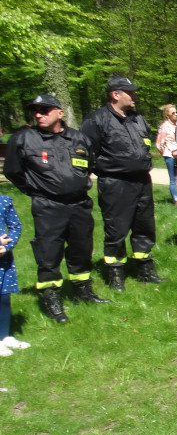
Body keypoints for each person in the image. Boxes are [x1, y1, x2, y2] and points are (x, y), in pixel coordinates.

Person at [6, 94, 109, 322]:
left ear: (60, 113)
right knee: (48, 253)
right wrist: (35, 189)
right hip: (48, 206)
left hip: (80, 204)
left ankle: (82, 290)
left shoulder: (79, 138)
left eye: (45, 110)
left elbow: (89, 165)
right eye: (36, 111)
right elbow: (13, 171)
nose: (39, 115)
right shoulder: (24, 139)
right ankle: (51, 298)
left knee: (81, 249)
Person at [80, 76, 166, 290]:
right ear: (115, 94)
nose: (134, 95)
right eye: (130, 92)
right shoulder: (96, 120)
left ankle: (145, 268)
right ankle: (116, 273)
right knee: (116, 230)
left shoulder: (137, 118)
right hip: (115, 183)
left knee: (144, 226)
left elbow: (145, 145)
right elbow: (86, 153)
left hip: (141, 181)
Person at [0, 194, 30, 354]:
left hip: (3, 260)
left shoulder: (4, 201)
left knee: (4, 297)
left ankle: (4, 336)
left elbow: (15, 226)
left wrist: (6, 247)